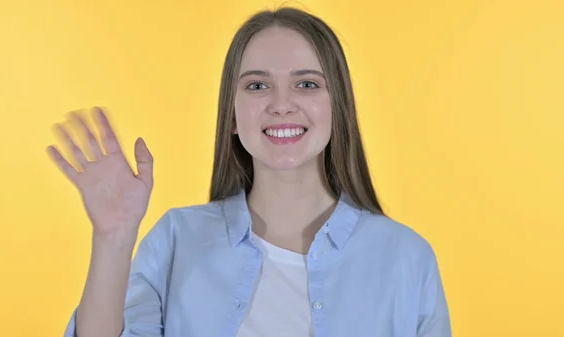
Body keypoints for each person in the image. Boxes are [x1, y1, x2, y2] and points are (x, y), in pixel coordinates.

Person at [48, 7, 451, 337]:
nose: (281, 104)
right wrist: (113, 239)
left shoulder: (406, 258)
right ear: (233, 116)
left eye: (307, 85)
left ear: (337, 108)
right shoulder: (175, 241)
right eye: (257, 86)